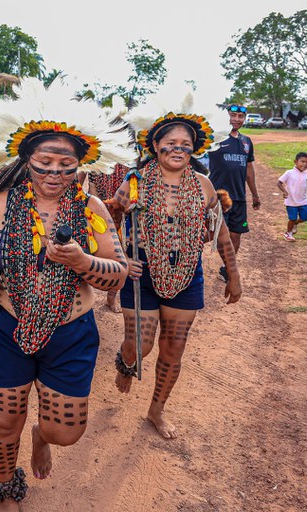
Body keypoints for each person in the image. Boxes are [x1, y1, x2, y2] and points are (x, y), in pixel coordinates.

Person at [0, 78, 132, 507]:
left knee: (66, 432)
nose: (55, 174)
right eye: (44, 164)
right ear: (26, 160)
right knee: (3, 424)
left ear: (80, 165)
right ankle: (5, 488)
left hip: (71, 331)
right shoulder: (1, 204)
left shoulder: (93, 209)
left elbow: (119, 273)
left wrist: (82, 263)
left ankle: (42, 437)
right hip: (6, 326)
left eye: (66, 165)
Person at [114, 84, 242, 439]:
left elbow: (220, 234)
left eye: (186, 145)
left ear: (194, 149)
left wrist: (234, 275)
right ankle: (125, 363)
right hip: (141, 274)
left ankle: (157, 409)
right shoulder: (134, 182)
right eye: (170, 143)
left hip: (188, 275)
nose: (178, 149)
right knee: (139, 345)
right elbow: (107, 223)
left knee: (173, 350)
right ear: (154, 145)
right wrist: (124, 257)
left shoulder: (202, 185)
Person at [207, 104, 260, 282]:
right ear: (226, 117)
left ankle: (227, 268)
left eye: (240, 116)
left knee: (236, 234)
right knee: (213, 235)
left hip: (239, 197)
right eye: (233, 115)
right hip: (219, 198)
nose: (236, 119)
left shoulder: (246, 142)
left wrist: (255, 194)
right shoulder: (215, 138)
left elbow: (249, 169)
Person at [88, 163, 130, 311]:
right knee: (91, 250)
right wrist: (98, 207)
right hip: (98, 209)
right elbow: (89, 178)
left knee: (119, 251)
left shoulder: (130, 152)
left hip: (121, 209)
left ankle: (111, 298)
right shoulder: (100, 153)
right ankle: (86, 293)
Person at [277, 152, 307, 241]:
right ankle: (288, 233)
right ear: (295, 161)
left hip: (303, 201)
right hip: (291, 201)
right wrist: (284, 191)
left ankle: (295, 224)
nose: (305, 164)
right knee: (292, 218)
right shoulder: (289, 173)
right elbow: (279, 183)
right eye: (302, 161)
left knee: (305, 217)